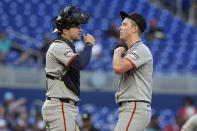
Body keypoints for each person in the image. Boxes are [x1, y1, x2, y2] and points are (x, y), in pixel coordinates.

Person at [41, 5, 96, 131]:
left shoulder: (65, 46)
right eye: (76, 26)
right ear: (65, 31)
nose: (80, 29)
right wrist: (88, 45)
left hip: (62, 107)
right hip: (60, 106)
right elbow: (80, 63)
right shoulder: (58, 46)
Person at [113, 11, 153, 131]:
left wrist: (116, 53)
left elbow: (118, 68)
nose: (120, 27)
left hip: (135, 106)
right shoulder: (131, 51)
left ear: (135, 29)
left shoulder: (140, 49)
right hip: (131, 107)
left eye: (125, 24)